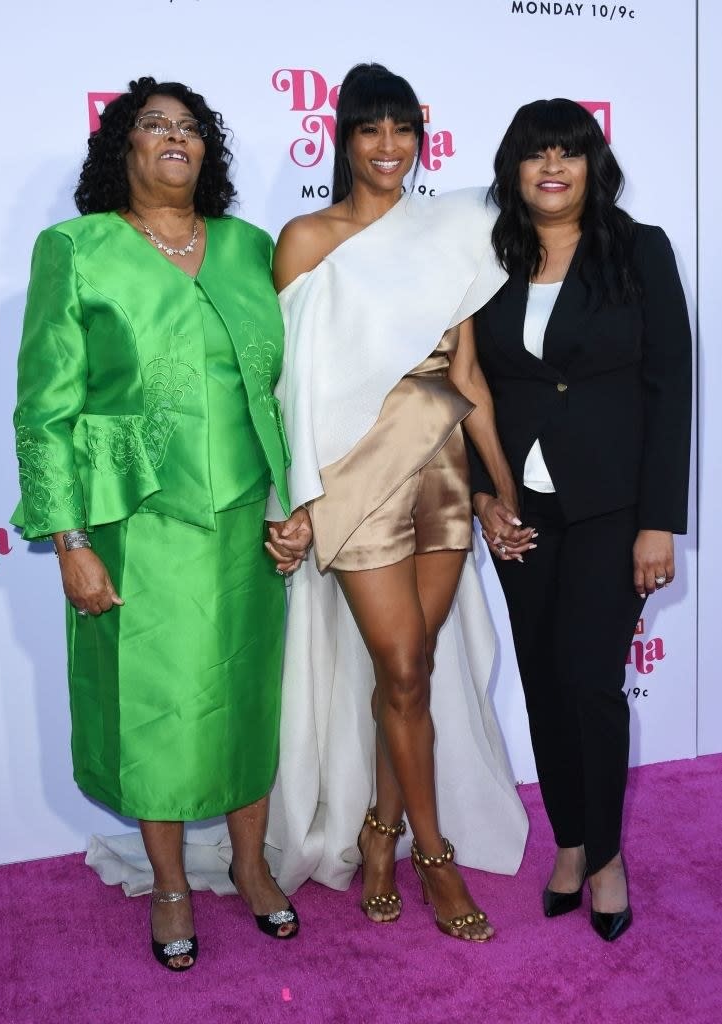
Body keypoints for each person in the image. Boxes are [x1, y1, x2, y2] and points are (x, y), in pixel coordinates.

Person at [12, 76, 310, 970]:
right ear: (123, 148)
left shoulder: (251, 248)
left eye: (190, 127)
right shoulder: (76, 248)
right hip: (132, 528)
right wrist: (68, 540)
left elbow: (288, 393)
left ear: (207, 152)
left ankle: (252, 866)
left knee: (247, 700)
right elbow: (43, 411)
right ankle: (172, 883)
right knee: (152, 714)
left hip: (246, 525)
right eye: (154, 126)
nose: (175, 138)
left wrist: (291, 507)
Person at [264, 63, 530, 942]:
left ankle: (381, 833)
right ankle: (433, 852)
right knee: (404, 667)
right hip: (353, 479)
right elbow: (289, 390)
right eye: (371, 130)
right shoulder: (305, 238)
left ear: (421, 138)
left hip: (443, 463)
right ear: (341, 138)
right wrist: (294, 499)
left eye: (404, 131)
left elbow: (466, 374)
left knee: (403, 676)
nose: (389, 148)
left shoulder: (446, 233)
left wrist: (498, 480)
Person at [469, 98, 692, 941]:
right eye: (534, 155)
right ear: (512, 171)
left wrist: (656, 522)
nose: (551, 167)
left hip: (612, 507)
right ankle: (568, 840)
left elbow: (670, 386)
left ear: (592, 165)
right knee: (542, 680)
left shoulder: (638, 249)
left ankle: (604, 856)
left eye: (568, 152)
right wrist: (483, 496)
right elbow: (466, 388)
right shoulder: (487, 259)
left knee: (591, 682)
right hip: (520, 508)